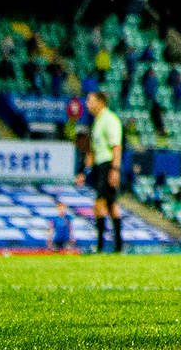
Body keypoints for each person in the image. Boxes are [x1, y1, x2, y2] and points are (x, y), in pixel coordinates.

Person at [73, 90, 124, 253]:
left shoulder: (110, 120)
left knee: (100, 204)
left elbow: (116, 146)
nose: (88, 104)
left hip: (108, 165)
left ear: (100, 102)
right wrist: (83, 171)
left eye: (90, 100)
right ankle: (117, 246)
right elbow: (92, 152)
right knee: (111, 204)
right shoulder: (97, 122)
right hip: (100, 166)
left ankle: (102, 246)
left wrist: (114, 169)